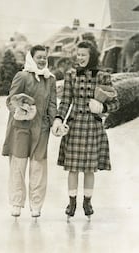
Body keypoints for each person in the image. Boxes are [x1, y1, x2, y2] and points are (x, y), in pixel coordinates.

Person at [52, 41, 119, 219]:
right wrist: (59, 119)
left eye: (83, 54)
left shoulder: (103, 76)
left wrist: (102, 108)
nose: (79, 57)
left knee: (90, 169)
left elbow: (115, 103)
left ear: (92, 56)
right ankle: (72, 202)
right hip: (75, 126)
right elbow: (65, 101)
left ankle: (87, 202)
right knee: (72, 168)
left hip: (93, 127)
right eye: (78, 54)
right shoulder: (71, 75)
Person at [2, 45, 57, 218]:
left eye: (44, 57)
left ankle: (36, 205)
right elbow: (10, 100)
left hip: (41, 128)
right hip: (21, 128)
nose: (42, 60)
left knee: (38, 167)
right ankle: (17, 203)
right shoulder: (22, 76)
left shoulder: (51, 79)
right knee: (18, 166)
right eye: (39, 57)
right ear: (31, 58)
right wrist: (19, 110)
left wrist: (55, 120)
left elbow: (52, 104)